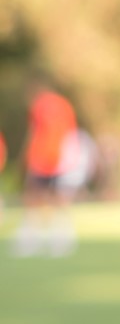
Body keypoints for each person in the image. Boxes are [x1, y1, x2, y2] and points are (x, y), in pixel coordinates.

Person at [14, 84, 78, 256]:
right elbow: (71, 135)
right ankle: (61, 239)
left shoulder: (39, 105)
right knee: (58, 200)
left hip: (42, 158)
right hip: (59, 159)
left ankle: (31, 240)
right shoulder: (65, 104)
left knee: (34, 199)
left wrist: (25, 158)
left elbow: (34, 133)